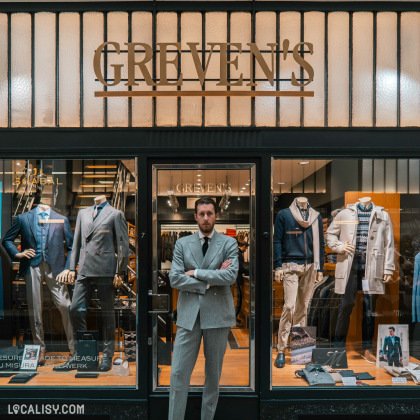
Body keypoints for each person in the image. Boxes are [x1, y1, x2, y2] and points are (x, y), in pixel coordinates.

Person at [168, 197, 239, 420]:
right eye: (202, 213)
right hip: (189, 315)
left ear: (216, 216)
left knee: (213, 376)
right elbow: (175, 279)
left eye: (210, 213)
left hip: (218, 315)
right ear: (195, 216)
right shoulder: (182, 243)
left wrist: (197, 273)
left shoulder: (229, 243)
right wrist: (211, 280)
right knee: (179, 373)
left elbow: (230, 275)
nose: (206, 217)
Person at [235, 238, 249, 327]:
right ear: (243, 246)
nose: (246, 250)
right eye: (246, 248)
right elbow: (239, 267)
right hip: (237, 279)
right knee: (238, 300)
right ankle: (234, 319)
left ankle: (234, 318)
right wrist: (248, 271)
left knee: (237, 299)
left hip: (234, 278)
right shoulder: (239, 254)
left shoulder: (235, 253)